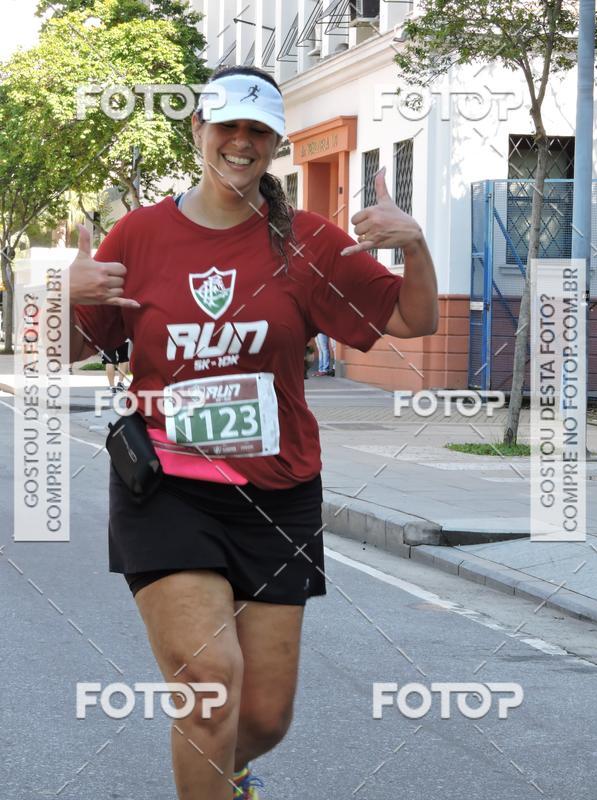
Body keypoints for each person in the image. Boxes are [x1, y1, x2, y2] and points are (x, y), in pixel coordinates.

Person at [67, 65, 438, 800]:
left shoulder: (308, 241)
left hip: (280, 491)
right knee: (209, 688)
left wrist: (416, 247)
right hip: (166, 487)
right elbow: (65, 348)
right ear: (196, 130)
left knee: (263, 715)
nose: (240, 142)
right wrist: (59, 296)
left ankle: (233, 773)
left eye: (258, 131)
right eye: (226, 126)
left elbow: (411, 321)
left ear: (275, 145)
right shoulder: (139, 233)